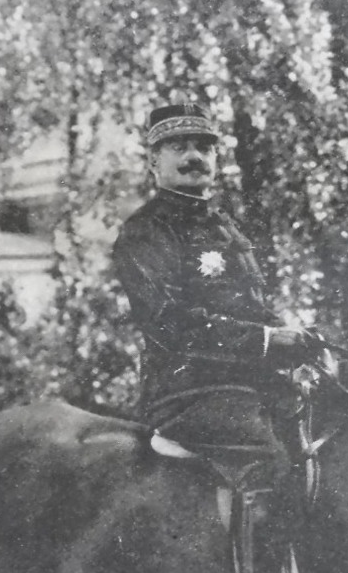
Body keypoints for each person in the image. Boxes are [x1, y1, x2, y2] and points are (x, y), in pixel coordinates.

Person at [112, 102, 322, 492]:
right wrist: (264, 340)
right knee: (271, 458)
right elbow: (168, 323)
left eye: (204, 147)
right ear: (154, 161)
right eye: (179, 147)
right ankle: (261, 556)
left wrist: (294, 338)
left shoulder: (224, 227)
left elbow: (253, 308)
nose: (194, 157)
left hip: (247, 384)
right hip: (186, 394)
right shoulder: (146, 232)